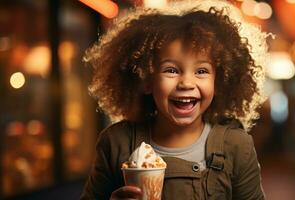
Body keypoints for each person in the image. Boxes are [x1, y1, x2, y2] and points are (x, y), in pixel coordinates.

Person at [80, 0, 269, 199]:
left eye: (202, 71)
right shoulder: (117, 143)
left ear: (219, 82)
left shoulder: (236, 146)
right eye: (171, 70)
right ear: (146, 80)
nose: (186, 82)